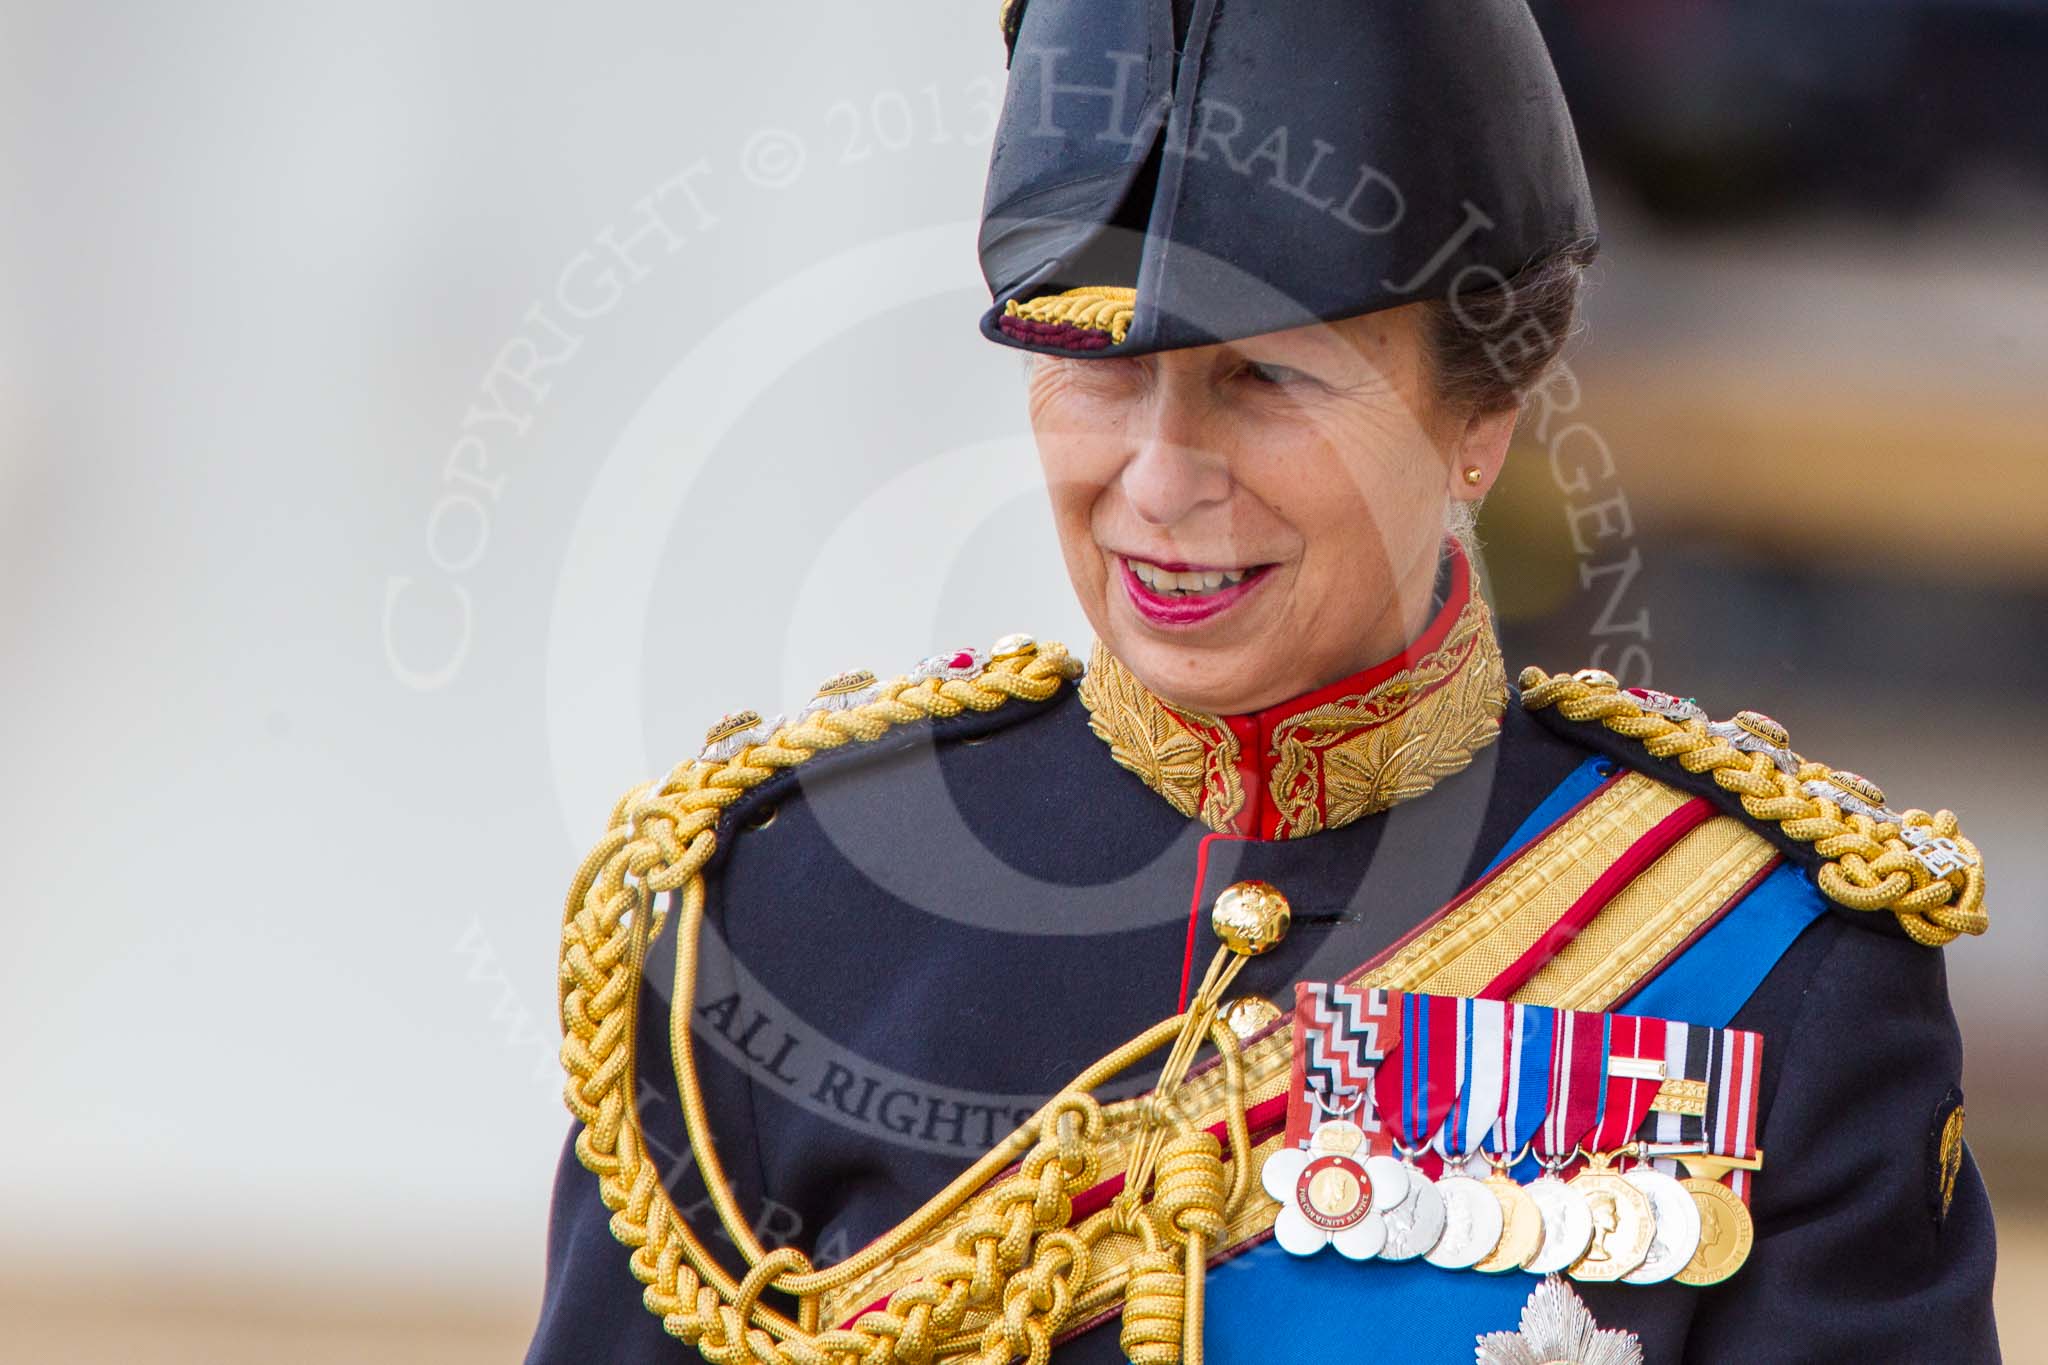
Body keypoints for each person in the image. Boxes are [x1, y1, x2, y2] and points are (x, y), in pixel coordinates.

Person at [528, 1, 1999, 1360]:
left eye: (1269, 379)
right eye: (1095, 370)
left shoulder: (1776, 960)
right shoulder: (781, 912)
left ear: (1481, 412)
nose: (1162, 482)